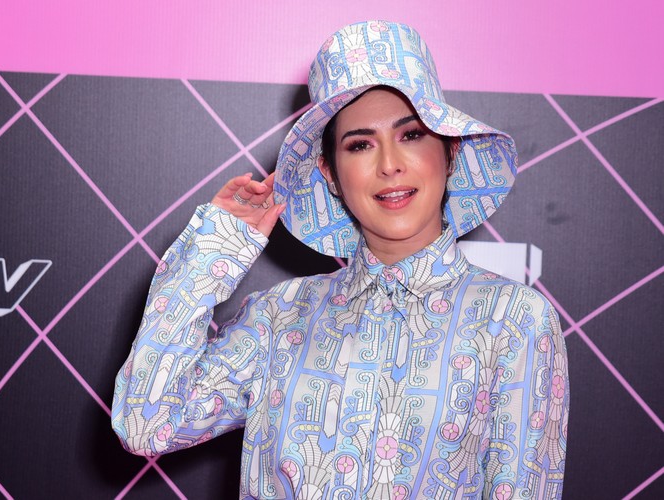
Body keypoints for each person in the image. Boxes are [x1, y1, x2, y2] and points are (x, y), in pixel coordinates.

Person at [112, 20, 569, 499]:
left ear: (449, 151)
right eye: (360, 144)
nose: (389, 164)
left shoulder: (514, 320)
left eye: (411, 135)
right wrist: (214, 250)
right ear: (330, 172)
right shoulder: (278, 317)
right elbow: (147, 426)